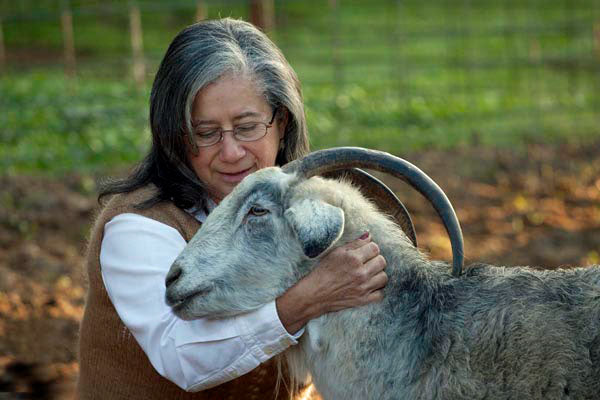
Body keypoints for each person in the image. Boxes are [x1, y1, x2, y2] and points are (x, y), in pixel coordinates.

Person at [77, 18, 387, 400]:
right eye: (205, 133)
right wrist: (309, 298)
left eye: (247, 126)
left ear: (282, 122)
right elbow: (180, 354)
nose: (231, 153)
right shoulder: (138, 228)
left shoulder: (307, 216)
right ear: (175, 135)